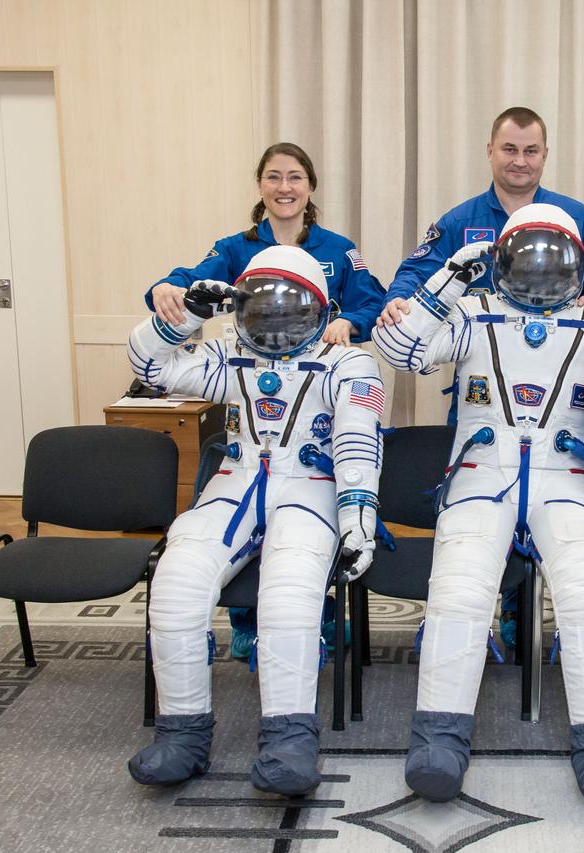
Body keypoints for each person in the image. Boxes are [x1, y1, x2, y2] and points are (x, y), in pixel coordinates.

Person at [373, 203, 584, 804]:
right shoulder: (472, 312)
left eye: (556, 258)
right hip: (480, 472)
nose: (542, 273)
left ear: (578, 264)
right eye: (528, 257)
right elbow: (397, 350)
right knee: (458, 591)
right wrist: (446, 278)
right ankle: (438, 736)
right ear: (502, 260)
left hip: (566, 474)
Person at [127, 245, 384, 795]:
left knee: (288, 598)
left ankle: (288, 739)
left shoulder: (349, 361)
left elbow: (359, 444)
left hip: (310, 490)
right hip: (235, 483)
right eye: (262, 307)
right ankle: (182, 733)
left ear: (319, 307)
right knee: (176, 583)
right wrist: (189, 316)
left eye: (290, 308)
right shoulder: (227, 355)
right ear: (241, 307)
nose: (275, 322)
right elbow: (151, 366)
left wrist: (358, 518)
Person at [378, 106, 584, 651]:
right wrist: (401, 301)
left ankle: (522, 617)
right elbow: (416, 272)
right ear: (490, 151)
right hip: (482, 391)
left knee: (553, 508)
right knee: (479, 515)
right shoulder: (460, 219)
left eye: (531, 150)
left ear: (545, 154)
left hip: (559, 397)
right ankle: (473, 620)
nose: (520, 161)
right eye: (509, 149)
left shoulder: (573, 216)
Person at [148, 142, 384, 660]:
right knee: (231, 516)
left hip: (315, 398)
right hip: (252, 391)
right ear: (260, 185)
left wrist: (351, 322)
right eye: (274, 177)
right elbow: (189, 284)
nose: (285, 188)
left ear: (310, 187)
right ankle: (245, 622)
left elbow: (374, 297)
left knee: (306, 532)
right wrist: (167, 291)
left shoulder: (338, 248)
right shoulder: (235, 249)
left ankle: (315, 622)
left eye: (295, 177)